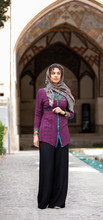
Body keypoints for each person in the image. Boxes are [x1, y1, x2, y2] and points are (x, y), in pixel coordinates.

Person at [33, 63, 75, 209]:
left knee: (61, 169)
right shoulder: (42, 92)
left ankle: (58, 201)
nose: (56, 75)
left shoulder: (66, 93)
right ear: (49, 75)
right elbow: (38, 113)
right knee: (47, 168)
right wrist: (35, 134)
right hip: (46, 134)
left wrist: (63, 112)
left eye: (58, 73)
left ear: (61, 75)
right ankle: (44, 201)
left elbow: (71, 114)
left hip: (62, 136)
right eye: (53, 73)